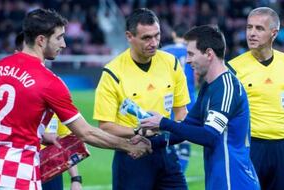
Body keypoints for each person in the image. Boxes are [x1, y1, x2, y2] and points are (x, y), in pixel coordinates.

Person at [0, 8, 151, 190]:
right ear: (41, 40)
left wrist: (42, 136)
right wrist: (128, 146)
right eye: (59, 37)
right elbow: (86, 133)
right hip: (19, 173)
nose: (64, 44)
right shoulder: (49, 82)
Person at [140, 25, 260, 190]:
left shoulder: (227, 87)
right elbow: (187, 127)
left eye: (191, 54)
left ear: (209, 54)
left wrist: (163, 123)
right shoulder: (208, 86)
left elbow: (208, 136)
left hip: (234, 179)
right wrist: (150, 143)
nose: (187, 60)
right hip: (218, 178)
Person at [93, 8, 190, 190]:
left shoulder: (171, 63)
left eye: (157, 36)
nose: (154, 43)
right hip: (132, 154)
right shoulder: (113, 73)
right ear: (129, 36)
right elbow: (105, 126)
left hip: (166, 151)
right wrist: (139, 132)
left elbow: (181, 112)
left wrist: (169, 136)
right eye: (146, 38)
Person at [228, 7, 284, 190]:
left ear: (274, 33)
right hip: (250, 148)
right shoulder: (233, 68)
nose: (252, 33)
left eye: (259, 28)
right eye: (249, 27)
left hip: (283, 149)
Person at [15, 31, 82, 190]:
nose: (63, 44)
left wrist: (76, 178)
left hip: (51, 167)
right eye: (59, 38)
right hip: (20, 168)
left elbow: (63, 140)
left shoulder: (50, 89)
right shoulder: (13, 96)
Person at [162, 23, 196, 173]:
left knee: (169, 135)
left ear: (174, 33)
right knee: (185, 138)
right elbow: (197, 76)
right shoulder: (192, 52)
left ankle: (170, 171)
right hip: (188, 99)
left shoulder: (164, 52)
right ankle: (180, 171)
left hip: (168, 100)